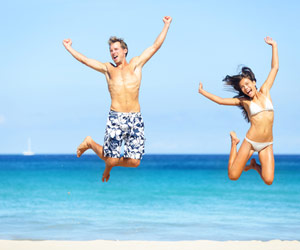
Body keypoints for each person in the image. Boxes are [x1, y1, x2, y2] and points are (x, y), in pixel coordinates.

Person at [63, 16, 172, 182]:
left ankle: (108, 165)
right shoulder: (108, 69)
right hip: (116, 117)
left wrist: (166, 25)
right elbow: (85, 60)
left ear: (124, 50)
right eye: (111, 50)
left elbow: (155, 46)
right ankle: (90, 143)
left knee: (135, 162)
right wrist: (69, 48)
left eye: (116, 49)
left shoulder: (136, 64)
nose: (113, 53)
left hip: (135, 118)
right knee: (112, 159)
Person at [198, 37, 278, 185]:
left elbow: (274, 68)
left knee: (268, 180)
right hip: (251, 142)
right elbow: (221, 101)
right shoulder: (244, 101)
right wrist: (203, 92)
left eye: (247, 84)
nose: (246, 88)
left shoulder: (265, 90)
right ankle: (234, 142)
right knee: (233, 176)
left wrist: (274, 46)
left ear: (254, 82)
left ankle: (254, 166)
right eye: (242, 87)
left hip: (267, 143)